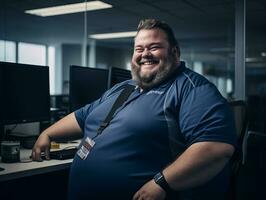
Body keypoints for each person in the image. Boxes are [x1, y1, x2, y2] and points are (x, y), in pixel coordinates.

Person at [32, 19, 237, 200]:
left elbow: (216, 148)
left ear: (175, 52)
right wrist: (48, 133)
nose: (145, 54)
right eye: (139, 49)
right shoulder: (124, 87)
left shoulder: (191, 88)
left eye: (154, 47)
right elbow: (83, 116)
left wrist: (161, 183)